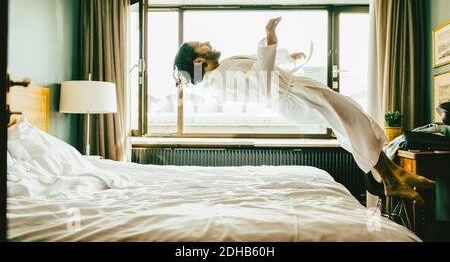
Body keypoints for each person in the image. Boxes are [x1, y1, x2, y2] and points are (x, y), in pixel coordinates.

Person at [173, 17, 434, 204]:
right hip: (290, 98)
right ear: (198, 61)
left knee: (355, 117)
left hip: (294, 89)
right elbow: (262, 83)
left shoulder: (222, 68)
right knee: (351, 122)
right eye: (201, 45)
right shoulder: (218, 82)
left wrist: (285, 55)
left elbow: (262, 65)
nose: (207, 42)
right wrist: (269, 42)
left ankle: (396, 174)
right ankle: (390, 181)